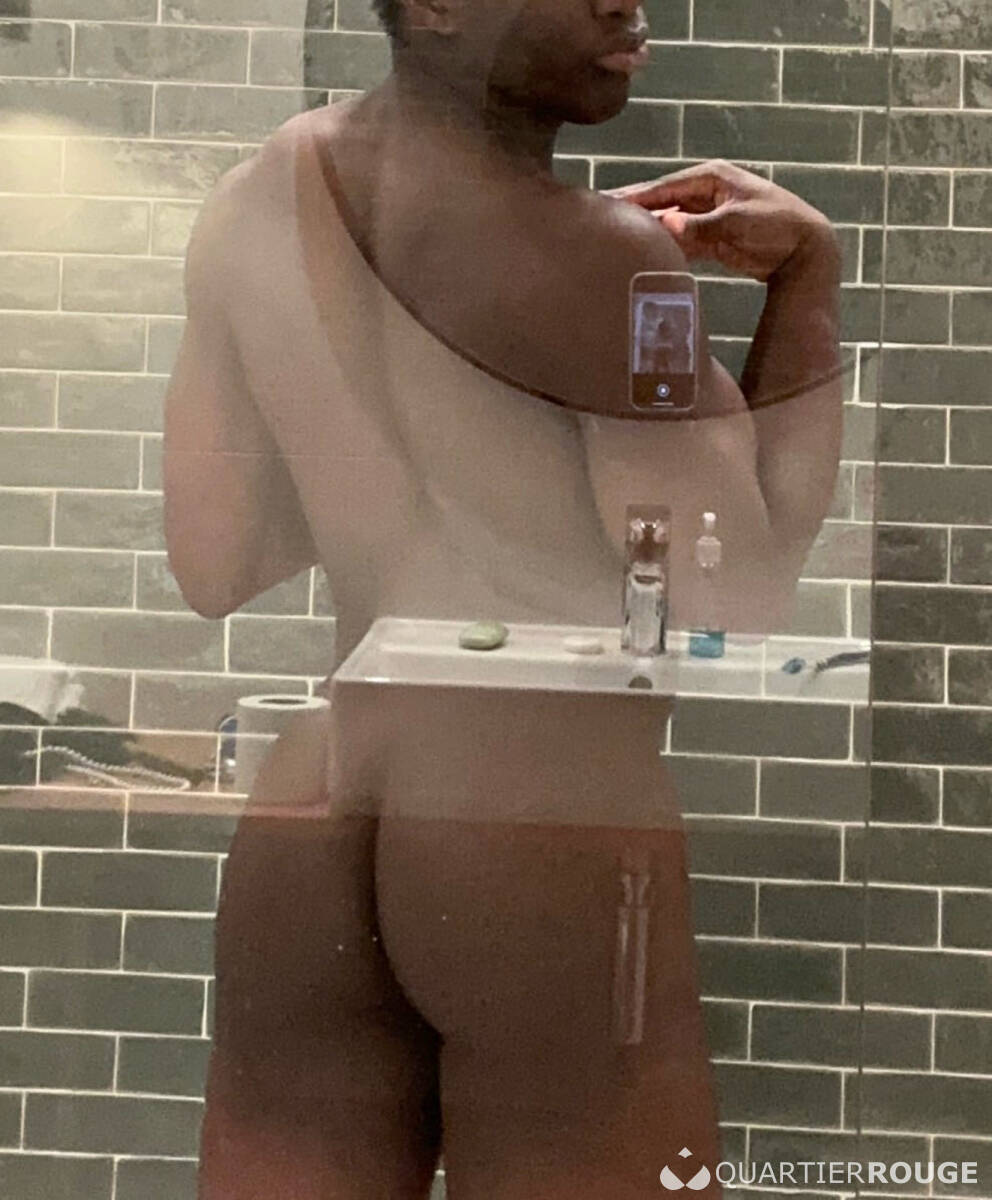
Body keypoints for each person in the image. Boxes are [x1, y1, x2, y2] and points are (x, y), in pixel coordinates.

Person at [162, 0, 844, 1195]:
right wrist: (806, 282)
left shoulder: (251, 201)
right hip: (538, 820)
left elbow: (213, 558)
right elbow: (731, 596)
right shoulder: (609, 261)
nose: (623, 2)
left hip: (316, 809)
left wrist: (397, 452)